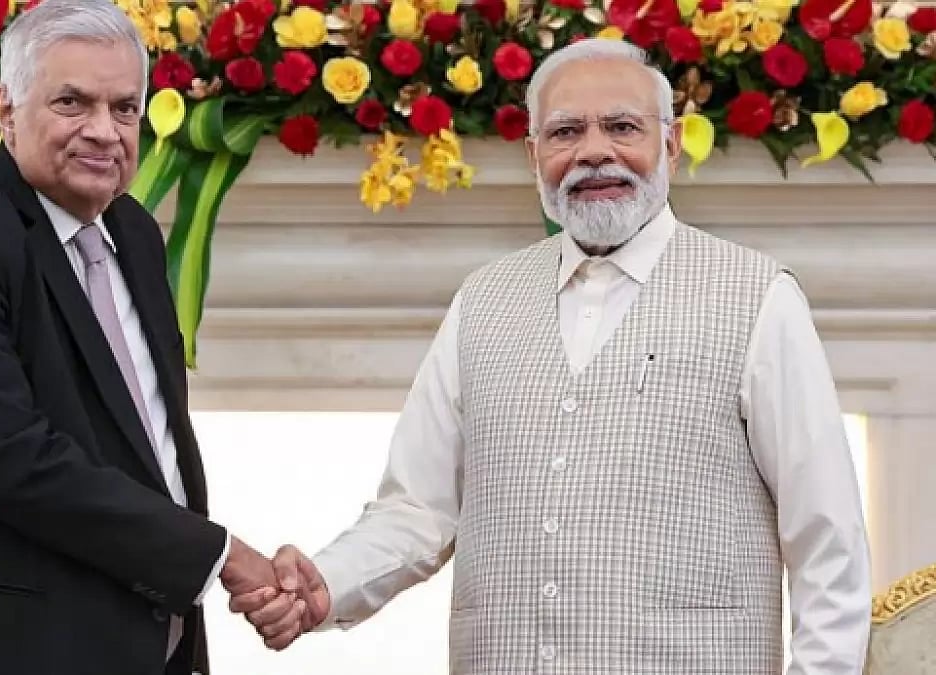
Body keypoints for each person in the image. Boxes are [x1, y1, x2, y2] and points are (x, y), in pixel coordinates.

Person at [235, 38, 872, 673]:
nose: (594, 151)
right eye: (566, 131)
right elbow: (417, 508)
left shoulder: (757, 296)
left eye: (622, 126)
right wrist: (327, 582)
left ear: (671, 145)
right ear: (535, 153)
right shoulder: (482, 300)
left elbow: (827, 538)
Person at [0, 2, 303, 674]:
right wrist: (217, 556)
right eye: (73, 102)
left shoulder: (131, 233)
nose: (104, 131)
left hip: (132, 635)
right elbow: (12, 461)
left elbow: (145, 443)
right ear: (6, 108)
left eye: (125, 108)